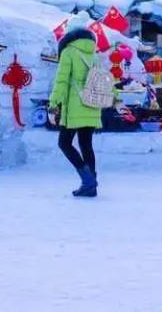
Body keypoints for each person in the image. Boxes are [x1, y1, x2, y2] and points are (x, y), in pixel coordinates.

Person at [49, 15, 103, 198]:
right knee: (86, 144)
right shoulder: (94, 53)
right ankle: (91, 185)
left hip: (74, 106)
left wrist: (53, 104)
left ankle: (87, 180)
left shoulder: (69, 52)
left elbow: (61, 81)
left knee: (64, 143)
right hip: (92, 103)